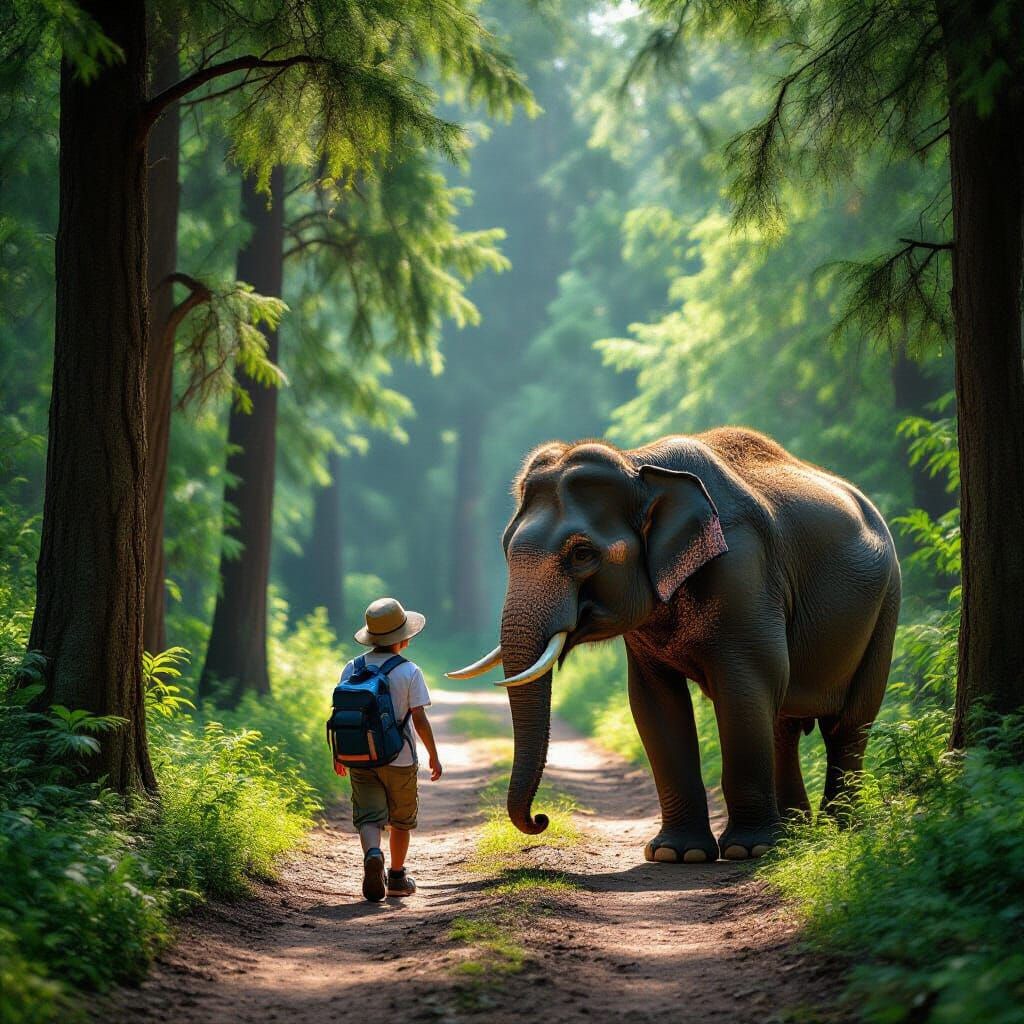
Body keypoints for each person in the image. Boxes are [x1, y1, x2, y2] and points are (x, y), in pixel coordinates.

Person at [335, 597, 442, 901]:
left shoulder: (352, 667)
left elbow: (342, 712)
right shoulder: (410, 672)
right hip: (400, 758)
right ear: (403, 639)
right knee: (400, 819)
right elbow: (419, 718)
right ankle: (396, 876)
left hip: (360, 757)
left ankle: (372, 854)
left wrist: (338, 754)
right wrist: (433, 754)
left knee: (369, 816)